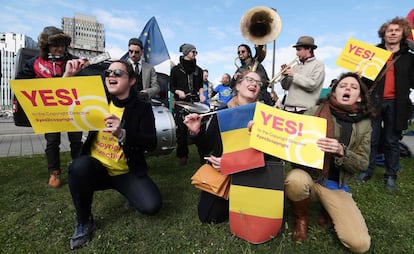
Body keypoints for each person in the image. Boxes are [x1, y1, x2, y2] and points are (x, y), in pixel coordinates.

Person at [64, 60, 162, 249]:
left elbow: (151, 142)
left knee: (151, 206)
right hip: (97, 169)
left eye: (118, 73)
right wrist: (68, 76)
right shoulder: (97, 100)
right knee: (78, 168)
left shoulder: (142, 108)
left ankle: (129, 193)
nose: (111, 76)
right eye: (108, 72)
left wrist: (122, 133)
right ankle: (84, 221)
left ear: (132, 80)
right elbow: (63, 101)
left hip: (126, 171)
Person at [285, 72, 374, 253]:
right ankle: (301, 219)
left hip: (335, 185)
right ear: (333, 92)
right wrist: (259, 129)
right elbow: (286, 138)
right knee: (295, 180)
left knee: (360, 244)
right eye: (342, 85)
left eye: (354, 87)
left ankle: (328, 209)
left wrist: (342, 152)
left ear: (359, 97)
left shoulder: (364, 124)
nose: (347, 88)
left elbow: (363, 163)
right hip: (309, 176)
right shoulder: (313, 112)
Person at [184, 70, 269, 223]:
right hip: (223, 173)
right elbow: (206, 147)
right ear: (237, 85)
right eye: (249, 79)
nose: (254, 84)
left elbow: (270, 156)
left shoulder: (266, 117)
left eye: (258, 82)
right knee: (209, 216)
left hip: (254, 174)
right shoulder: (222, 114)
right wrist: (196, 132)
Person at [15, 26, 83, 188]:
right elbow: (20, 83)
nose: (60, 49)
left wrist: (80, 71)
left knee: (76, 140)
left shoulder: (73, 61)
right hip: (50, 111)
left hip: (72, 110)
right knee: (52, 142)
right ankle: (55, 173)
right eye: (55, 45)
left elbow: (85, 83)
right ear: (46, 46)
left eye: (62, 45)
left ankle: (79, 170)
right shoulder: (34, 64)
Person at [356, 17, 414, 192]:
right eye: (390, 30)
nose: (393, 33)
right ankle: (367, 171)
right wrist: (358, 76)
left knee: (392, 140)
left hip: (398, 103)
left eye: (397, 30)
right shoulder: (373, 54)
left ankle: (391, 176)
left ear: (403, 33)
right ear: (384, 34)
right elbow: (366, 80)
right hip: (374, 101)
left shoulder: (409, 58)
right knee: (371, 139)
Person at [170, 43, 205, 165]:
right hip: (181, 103)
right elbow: (171, 86)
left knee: (199, 128)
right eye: (193, 52)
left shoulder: (198, 70)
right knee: (181, 130)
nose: (195, 54)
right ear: (186, 53)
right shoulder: (175, 70)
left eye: (196, 52)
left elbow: (200, 86)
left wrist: (201, 94)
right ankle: (183, 156)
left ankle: (203, 155)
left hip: (194, 102)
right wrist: (178, 91)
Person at [280, 36, 325, 114]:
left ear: (308, 49)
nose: (296, 53)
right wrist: (284, 75)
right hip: (288, 109)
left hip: (306, 111)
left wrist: (294, 75)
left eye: (299, 50)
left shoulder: (318, 65)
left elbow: (312, 84)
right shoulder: (295, 67)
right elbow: (285, 87)